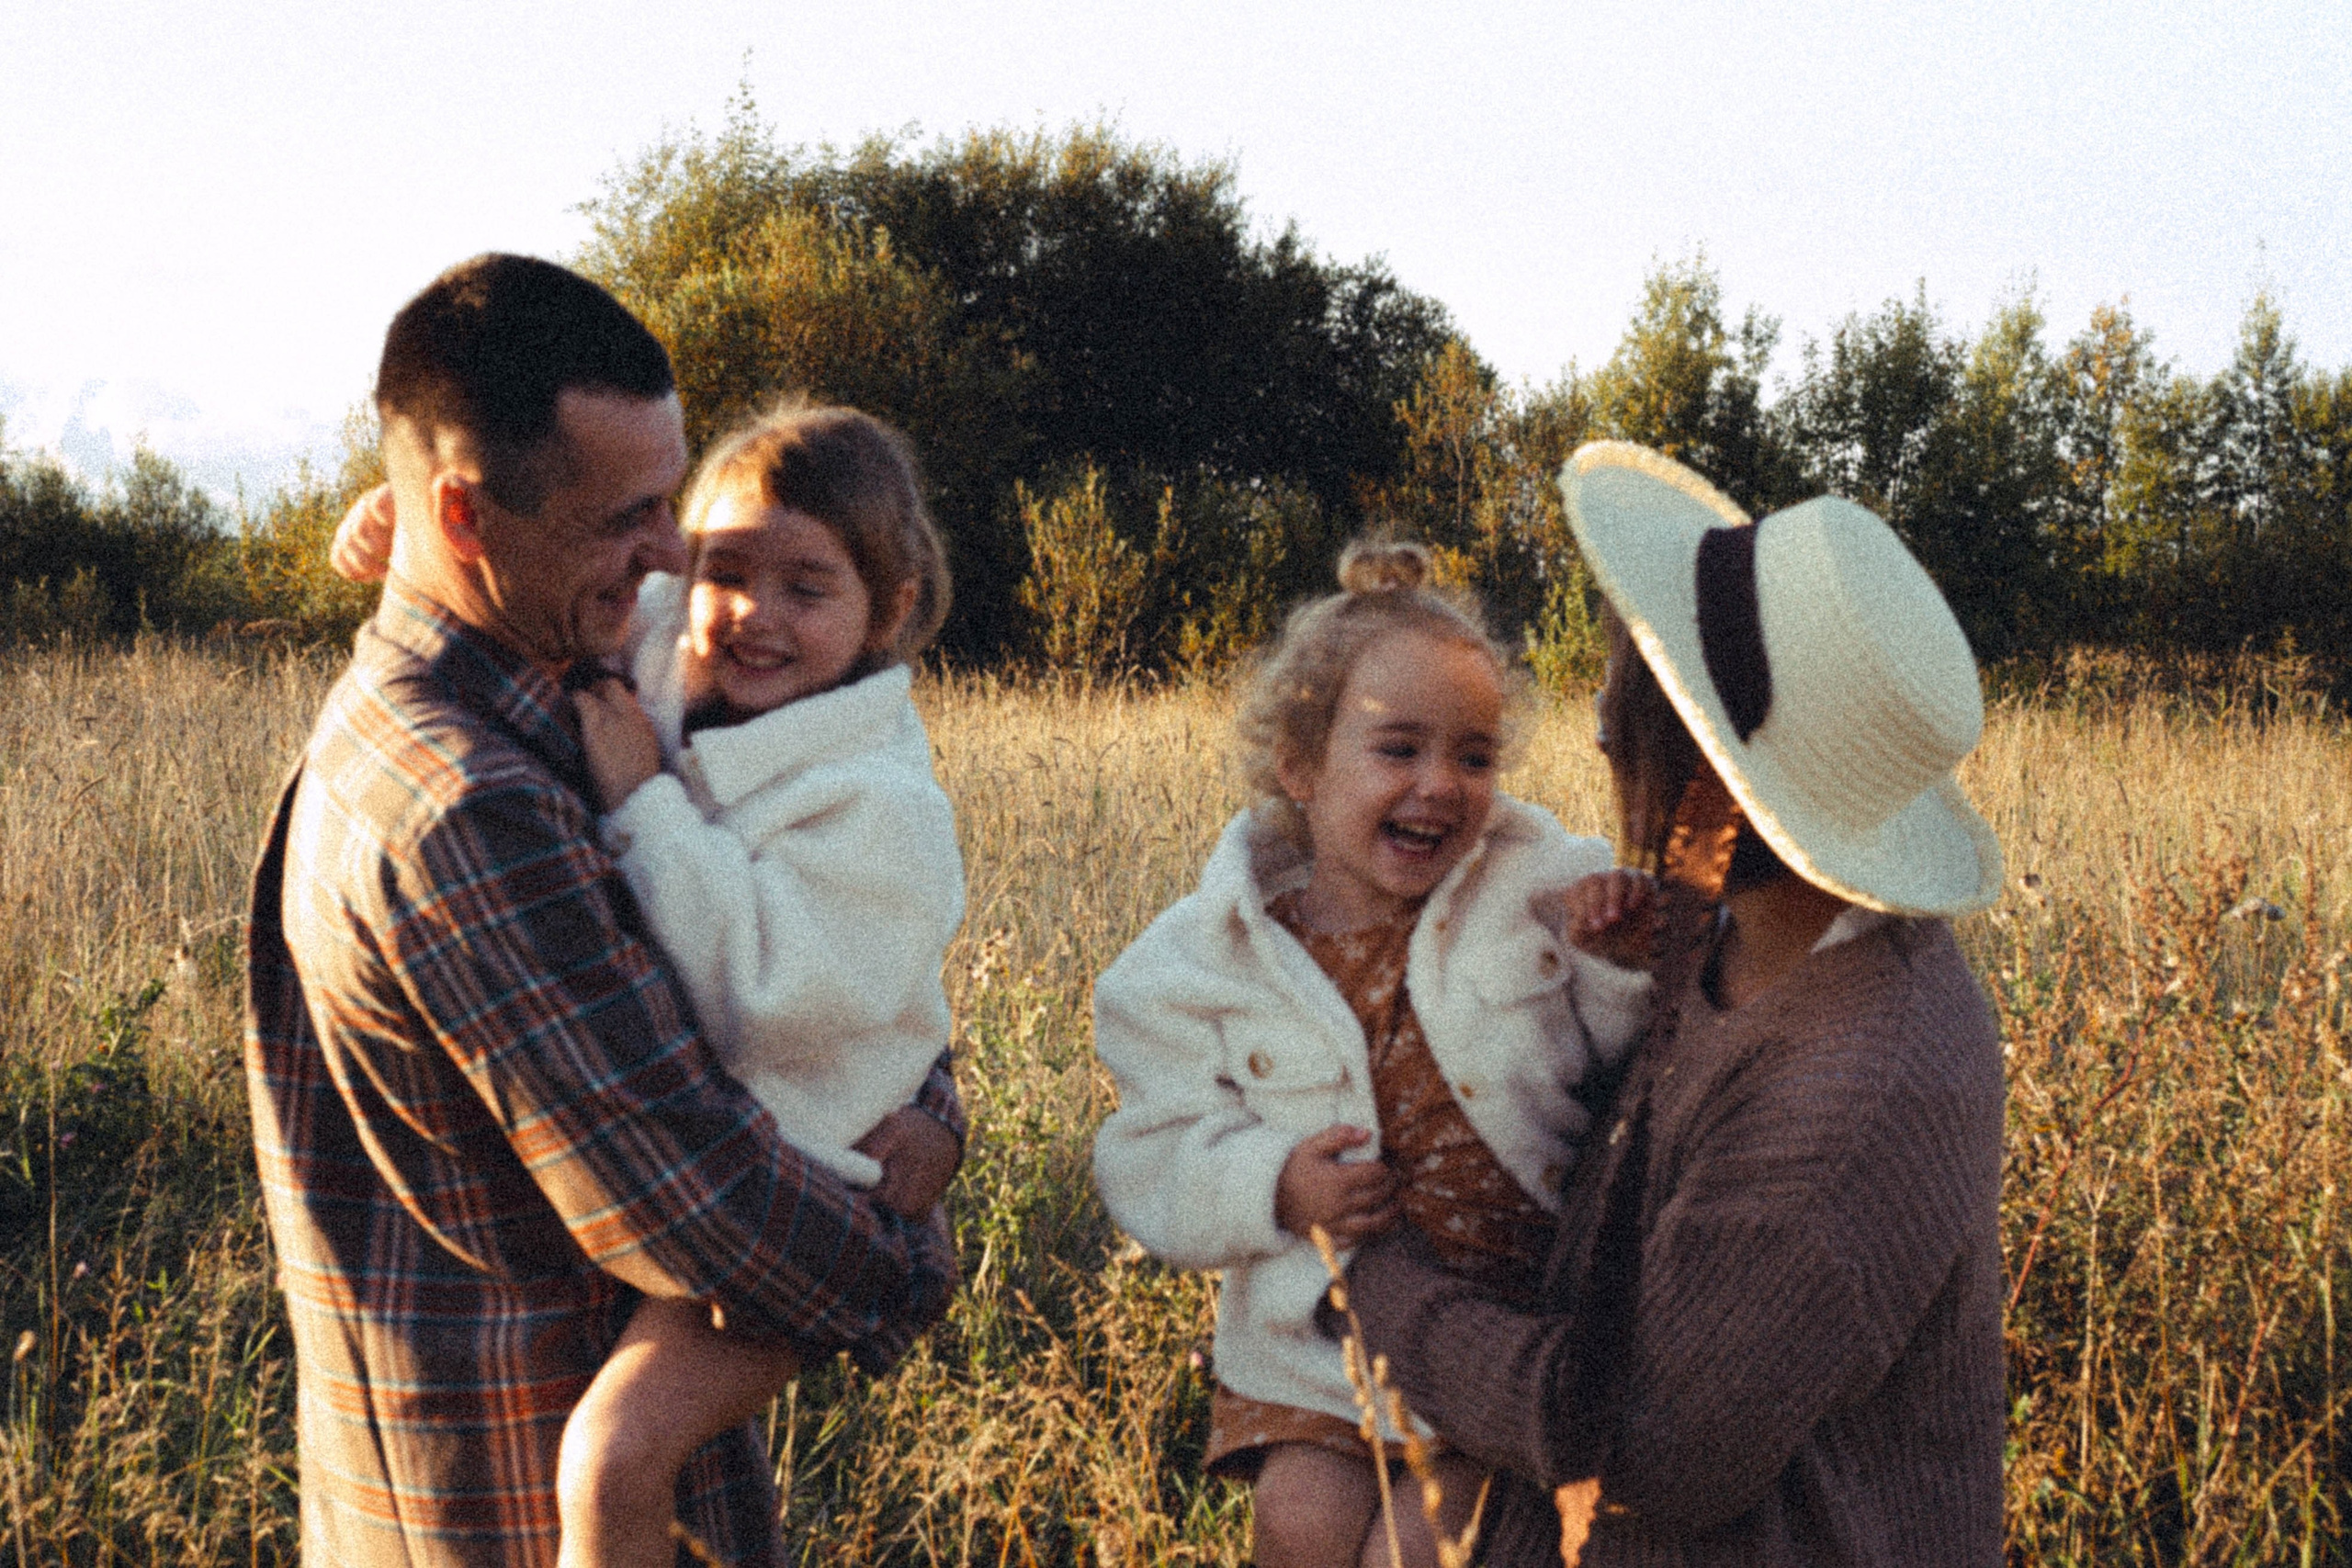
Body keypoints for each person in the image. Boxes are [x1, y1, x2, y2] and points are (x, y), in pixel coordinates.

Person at [247, 254, 962, 1567]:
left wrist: (927, 1092)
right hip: (508, 1495)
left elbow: (838, 957)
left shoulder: (550, 682)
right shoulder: (469, 806)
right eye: (627, 517)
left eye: (669, 505)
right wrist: (914, 1238)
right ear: (464, 519)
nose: (670, 556)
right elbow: (701, 1196)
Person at [1338, 442, 2007, 1565]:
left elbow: (1640, 1449)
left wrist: (1374, 1284)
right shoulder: (1727, 932)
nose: (1600, 725)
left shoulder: (1856, 1086)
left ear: (1706, 762)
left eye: (1628, 691)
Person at [1090, 540, 1657, 1568]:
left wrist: (1614, 955)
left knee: (1421, 1548)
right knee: (1298, 1523)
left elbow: (1621, 1062)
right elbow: (1148, 1151)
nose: (1440, 785)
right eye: (1398, 750)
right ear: (1299, 765)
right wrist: (1270, 1184)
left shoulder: (1534, 882)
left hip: (1502, 1327)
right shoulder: (1210, 956)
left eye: (1474, 757)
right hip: (1319, 1346)